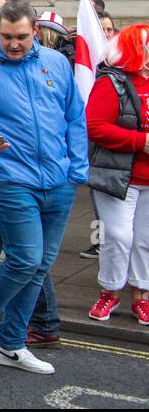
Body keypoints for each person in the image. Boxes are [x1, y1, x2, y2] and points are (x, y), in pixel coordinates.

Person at [0, 0, 86, 376]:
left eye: (21, 37)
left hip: (58, 180)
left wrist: (77, 170)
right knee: (25, 259)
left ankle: (10, 343)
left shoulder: (57, 63)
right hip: (8, 176)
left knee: (39, 266)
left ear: (35, 32)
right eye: (6, 37)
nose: (13, 44)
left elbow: (75, 116)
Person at [83, 24, 149, 326]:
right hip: (119, 175)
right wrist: (141, 142)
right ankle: (110, 290)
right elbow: (95, 127)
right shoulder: (113, 82)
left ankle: (141, 296)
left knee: (145, 240)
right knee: (119, 237)